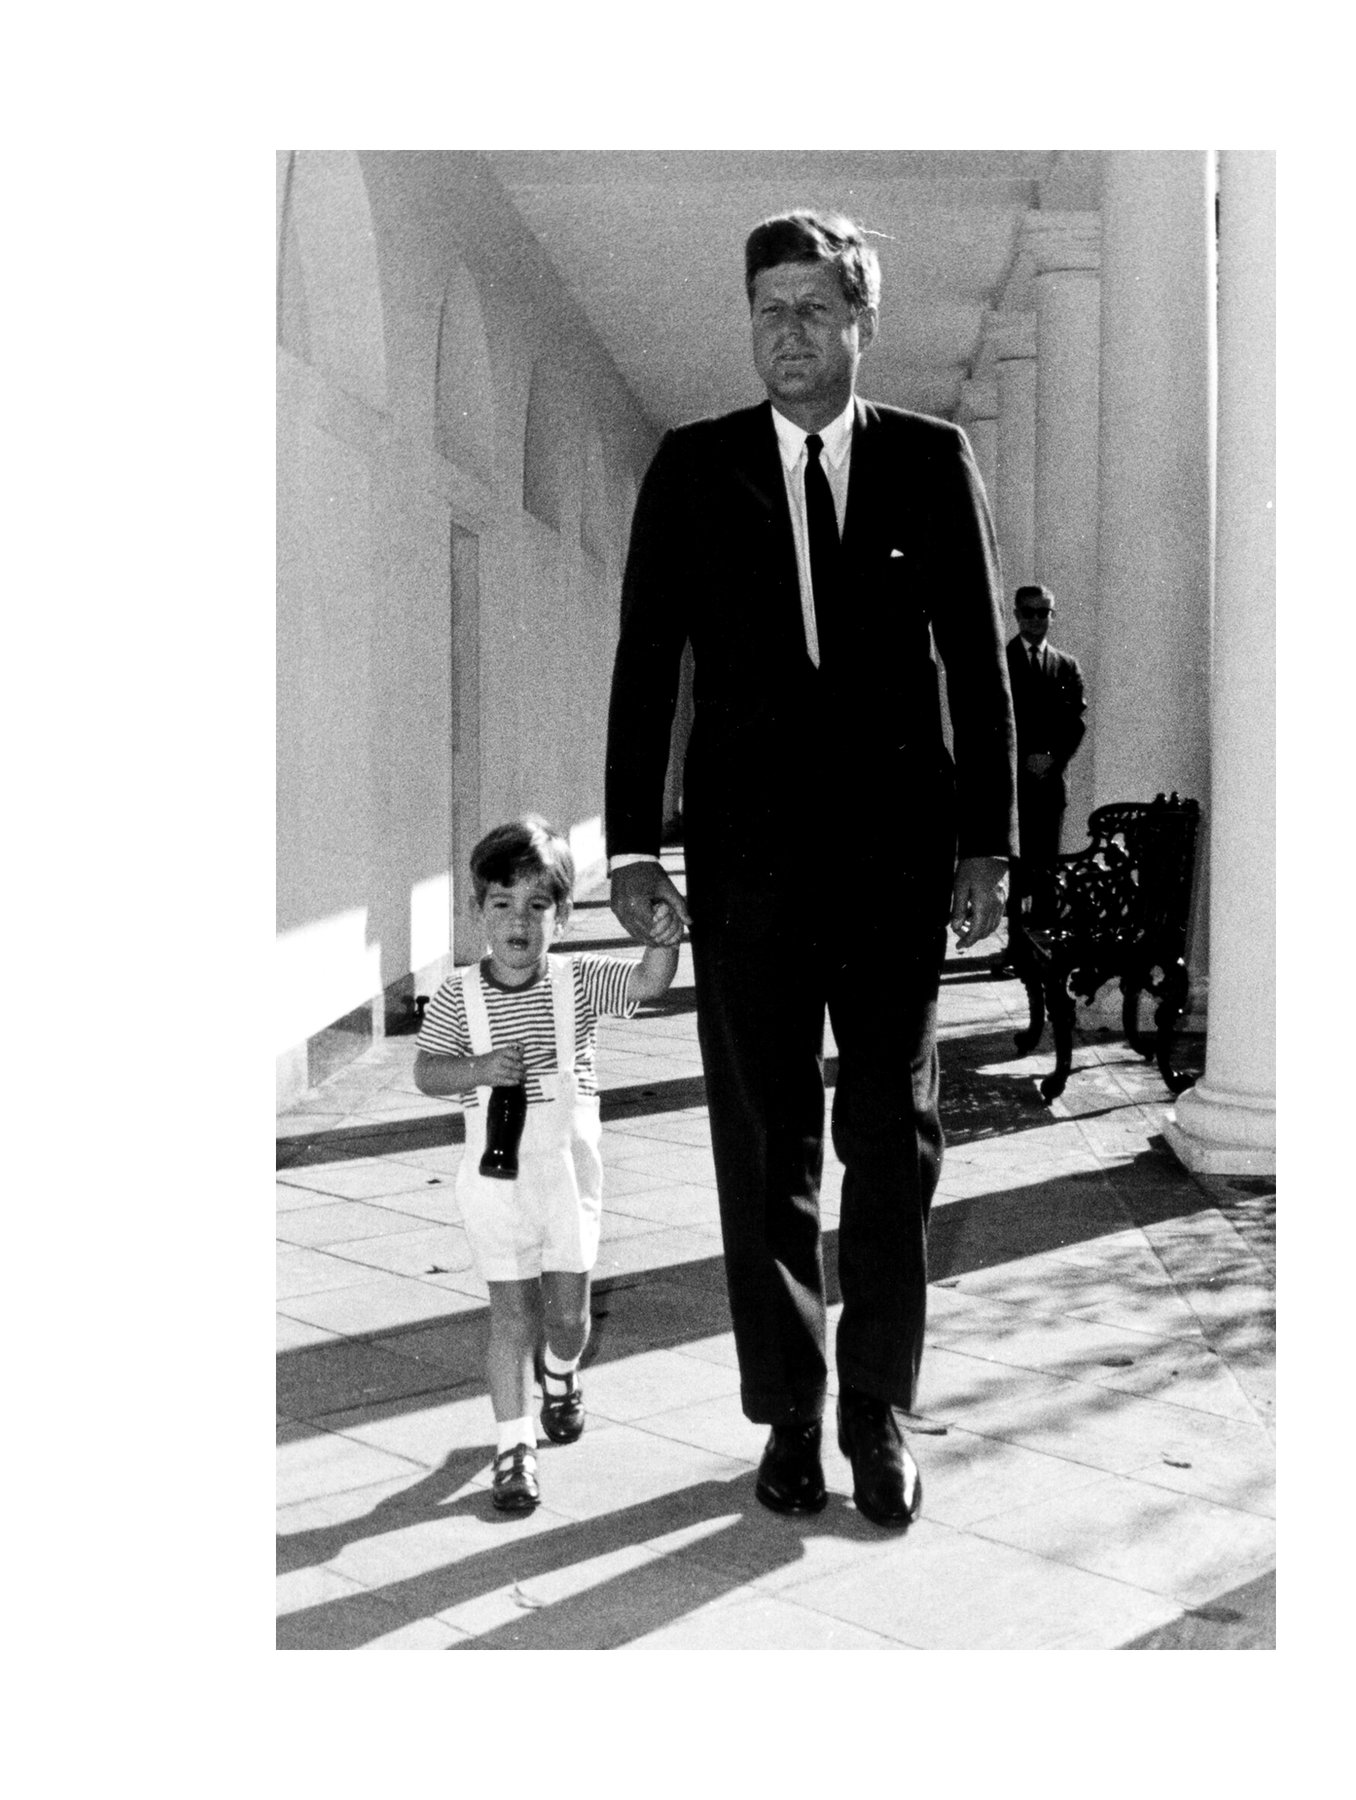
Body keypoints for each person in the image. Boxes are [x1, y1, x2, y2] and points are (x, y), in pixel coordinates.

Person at [603, 210, 1016, 1527]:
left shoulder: (930, 462)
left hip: (897, 870)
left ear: (861, 323)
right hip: (750, 873)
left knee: (892, 1142)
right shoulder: (692, 468)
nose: (789, 332)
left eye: (815, 308)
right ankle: (787, 1416)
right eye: (770, 308)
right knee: (764, 1144)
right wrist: (632, 847)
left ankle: (878, 1411)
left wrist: (989, 845)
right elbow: (645, 667)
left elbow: (980, 665)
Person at [414, 817, 679, 1515]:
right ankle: (514, 1447)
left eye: (538, 906)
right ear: (480, 914)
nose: (518, 922)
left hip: (567, 1176)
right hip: (496, 1182)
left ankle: (561, 1374)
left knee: (566, 1317)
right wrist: (474, 1067)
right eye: (502, 905)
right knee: (510, 1319)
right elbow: (427, 1072)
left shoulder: (578, 982)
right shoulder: (456, 997)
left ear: (562, 914)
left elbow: (649, 984)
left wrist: (662, 943)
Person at [1004, 583, 1087, 921]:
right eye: (1028, 612)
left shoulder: (1067, 666)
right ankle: (1015, 946)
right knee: (1014, 867)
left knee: (1046, 865)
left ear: (1053, 615)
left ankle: (1041, 944)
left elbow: (1074, 722)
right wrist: (1024, 758)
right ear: (1016, 615)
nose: (1035, 619)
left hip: (1049, 781)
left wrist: (1050, 756)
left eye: (1043, 612)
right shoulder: (1002, 661)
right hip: (1013, 782)